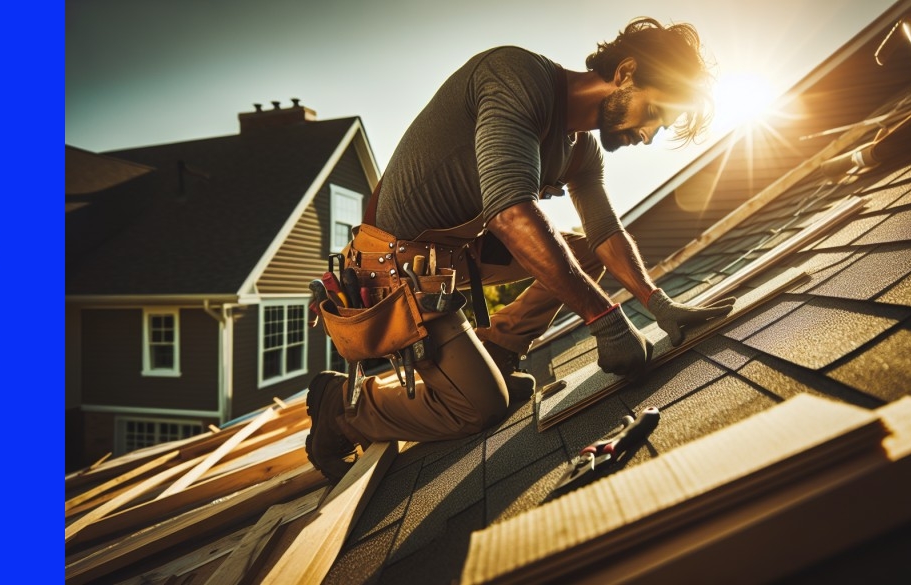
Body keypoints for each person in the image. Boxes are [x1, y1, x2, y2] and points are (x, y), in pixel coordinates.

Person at [307, 17, 736, 482]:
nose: (648, 135)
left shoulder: (579, 149)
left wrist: (658, 302)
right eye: (653, 113)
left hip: (456, 252)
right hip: (396, 266)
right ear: (626, 72)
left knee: (585, 252)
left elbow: (605, 231)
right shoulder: (516, 76)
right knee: (478, 409)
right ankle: (341, 408)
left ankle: (499, 353)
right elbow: (509, 214)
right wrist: (606, 322)